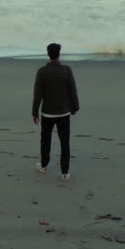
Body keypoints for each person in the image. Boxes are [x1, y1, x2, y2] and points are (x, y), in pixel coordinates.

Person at [32, 42, 79, 181]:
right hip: (64, 113)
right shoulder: (66, 70)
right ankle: (65, 172)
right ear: (59, 54)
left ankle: (44, 166)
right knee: (65, 143)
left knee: (45, 141)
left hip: (47, 113)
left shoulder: (42, 72)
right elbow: (72, 91)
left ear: (48, 54)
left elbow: (38, 95)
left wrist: (34, 113)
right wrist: (74, 107)